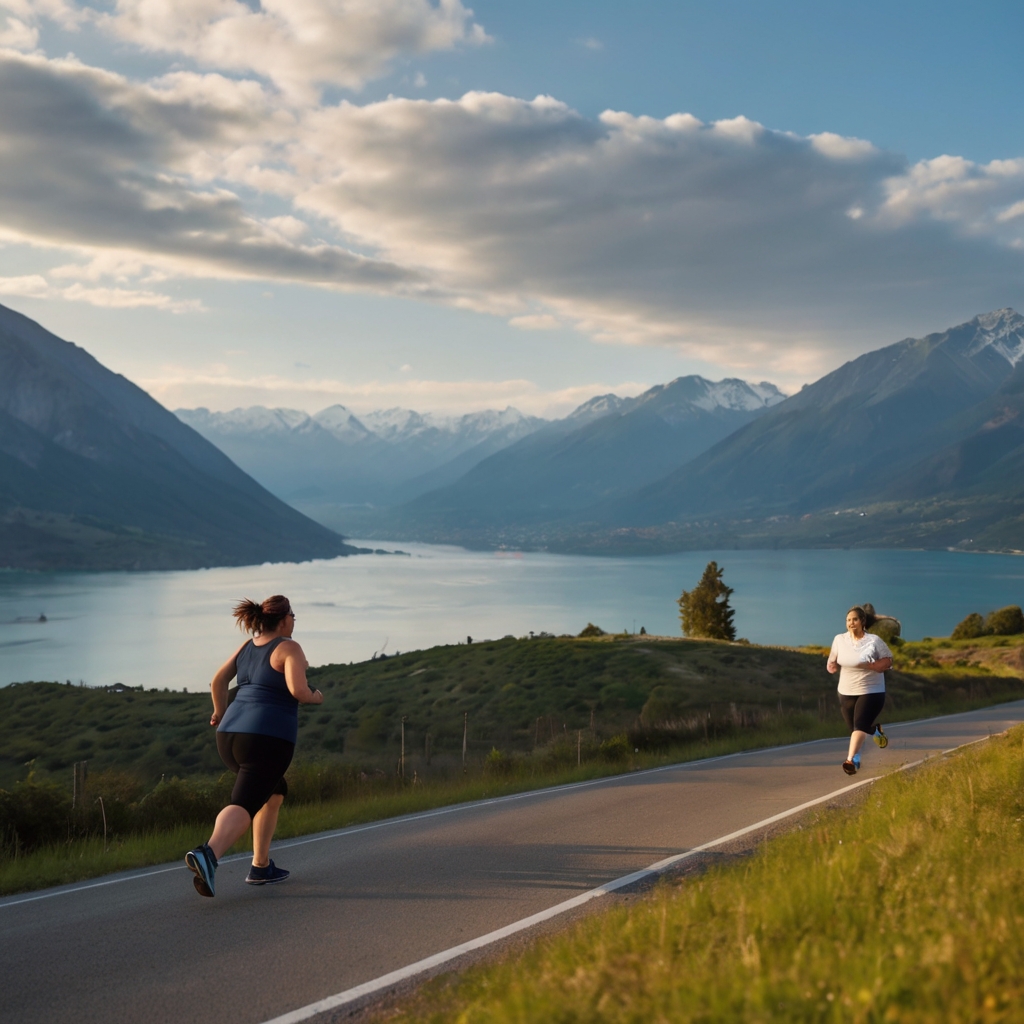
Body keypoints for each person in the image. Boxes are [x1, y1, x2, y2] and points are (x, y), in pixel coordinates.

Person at [185, 595, 323, 898]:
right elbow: (298, 690)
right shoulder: (289, 647)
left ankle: (261, 866)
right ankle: (209, 854)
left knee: (273, 792)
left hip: (230, 736)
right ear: (285, 619)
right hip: (266, 738)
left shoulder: (248, 646)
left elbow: (217, 681)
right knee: (244, 803)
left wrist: (219, 712)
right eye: (293, 616)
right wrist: (316, 696)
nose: (294, 621)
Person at [827, 605, 892, 776]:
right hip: (846, 690)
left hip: (871, 690)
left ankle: (851, 760)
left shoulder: (874, 641)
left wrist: (876, 665)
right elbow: (832, 659)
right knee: (855, 728)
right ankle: (875, 731)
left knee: (859, 726)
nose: (851, 623)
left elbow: (888, 660)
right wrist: (831, 665)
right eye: (848, 620)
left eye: (855, 619)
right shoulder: (839, 639)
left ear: (862, 621)